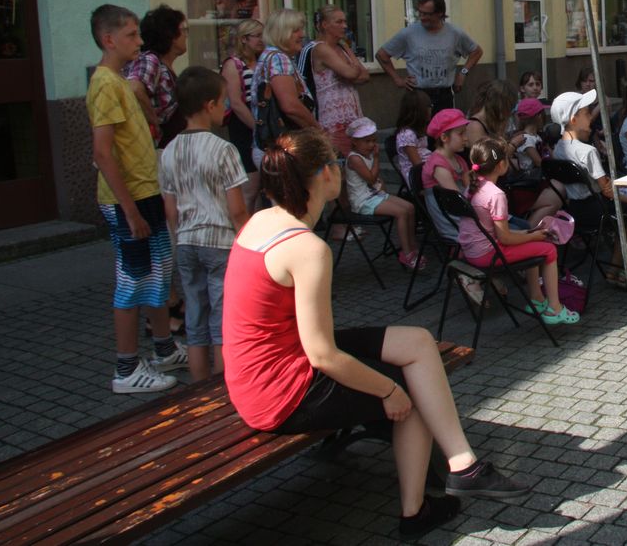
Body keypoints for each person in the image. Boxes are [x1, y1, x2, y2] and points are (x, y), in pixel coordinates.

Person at [222, 128, 526, 540]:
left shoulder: (262, 220)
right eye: (336, 162)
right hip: (278, 392)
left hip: (263, 372)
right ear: (326, 174)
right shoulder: (308, 249)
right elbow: (323, 355)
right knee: (409, 389)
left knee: (417, 342)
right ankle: (414, 514)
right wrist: (388, 390)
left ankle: (463, 465)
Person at [88, 5, 187, 394]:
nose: (140, 41)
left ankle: (164, 349)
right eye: (131, 35)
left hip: (146, 192)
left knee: (159, 273)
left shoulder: (120, 81)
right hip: (128, 201)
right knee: (133, 282)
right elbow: (102, 153)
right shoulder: (105, 85)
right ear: (109, 40)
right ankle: (126, 369)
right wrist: (129, 210)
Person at [159, 67, 250, 382]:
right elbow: (237, 209)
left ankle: (198, 390)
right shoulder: (223, 150)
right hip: (221, 243)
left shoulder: (169, 151)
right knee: (223, 322)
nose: (226, 107)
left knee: (195, 321)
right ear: (210, 105)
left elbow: (170, 208)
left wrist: (179, 238)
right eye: (224, 101)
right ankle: (223, 391)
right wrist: (248, 240)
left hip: (186, 243)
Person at [461, 138, 578, 325]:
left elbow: (498, 233)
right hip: (488, 254)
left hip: (472, 251)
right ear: (501, 165)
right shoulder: (495, 194)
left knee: (534, 241)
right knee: (549, 250)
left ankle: (537, 299)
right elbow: (505, 238)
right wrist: (533, 236)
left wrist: (529, 235)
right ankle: (554, 309)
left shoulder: (473, 186)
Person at [551, 91, 627, 281]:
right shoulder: (587, 151)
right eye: (586, 113)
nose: (590, 117)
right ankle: (626, 266)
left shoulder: (558, 148)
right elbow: (607, 191)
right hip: (599, 208)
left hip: (576, 209)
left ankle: (613, 271)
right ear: (574, 120)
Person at [376, 0, 482, 111]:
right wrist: (397, 80)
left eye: (427, 14)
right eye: (420, 13)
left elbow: (476, 51)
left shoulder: (454, 33)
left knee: (444, 124)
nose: (422, 17)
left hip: (444, 95)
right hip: (418, 95)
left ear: (440, 13)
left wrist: (463, 73)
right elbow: (381, 55)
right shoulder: (409, 33)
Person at [345, 118, 421, 269]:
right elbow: (371, 178)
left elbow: (375, 181)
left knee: (410, 207)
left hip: (373, 195)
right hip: (362, 201)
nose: (371, 145)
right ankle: (407, 253)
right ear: (354, 142)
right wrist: (377, 158)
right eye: (367, 141)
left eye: (373, 141)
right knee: (401, 212)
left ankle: (413, 246)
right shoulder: (354, 158)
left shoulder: (367, 155)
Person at [250, 8, 319, 168]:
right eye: (296, 30)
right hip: (282, 148)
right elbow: (290, 106)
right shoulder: (279, 58)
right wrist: (317, 131)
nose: (302, 35)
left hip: (271, 146)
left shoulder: (269, 56)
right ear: (281, 33)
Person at [125, 5, 188, 147]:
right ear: (171, 35)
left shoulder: (163, 66)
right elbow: (134, 88)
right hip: (158, 148)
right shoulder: (150, 59)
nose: (186, 35)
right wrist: (154, 122)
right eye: (183, 30)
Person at [311, 5, 370, 156]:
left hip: (352, 114)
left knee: (357, 161)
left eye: (345, 21)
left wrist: (350, 69)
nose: (344, 26)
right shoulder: (321, 48)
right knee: (339, 160)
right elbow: (351, 73)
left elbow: (364, 76)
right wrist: (351, 71)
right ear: (325, 25)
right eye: (339, 22)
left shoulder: (342, 47)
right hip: (333, 118)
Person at [222, 19, 265, 210]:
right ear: (244, 39)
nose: (261, 40)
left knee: (262, 186)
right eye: (257, 36)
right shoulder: (233, 65)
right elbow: (236, 103)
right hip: (244, 126)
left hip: (263, 121)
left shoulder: (263, 61)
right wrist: (257, 127)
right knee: (250, 186)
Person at [420, 108, 472, 243]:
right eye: (461, 134)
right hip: (451, 219)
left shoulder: (459, 160)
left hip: (462, 212)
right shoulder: (438, 165)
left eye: (465, 132)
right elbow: (457, 200)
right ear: (444, 138)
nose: (466, 138)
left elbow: (469, 188)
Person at [394, 88, 433, 194]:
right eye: (429, 106)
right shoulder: (407, 134)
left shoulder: (418, 130)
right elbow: (417, 164)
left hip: (426, 167)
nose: (431, 110)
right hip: (417, 176)